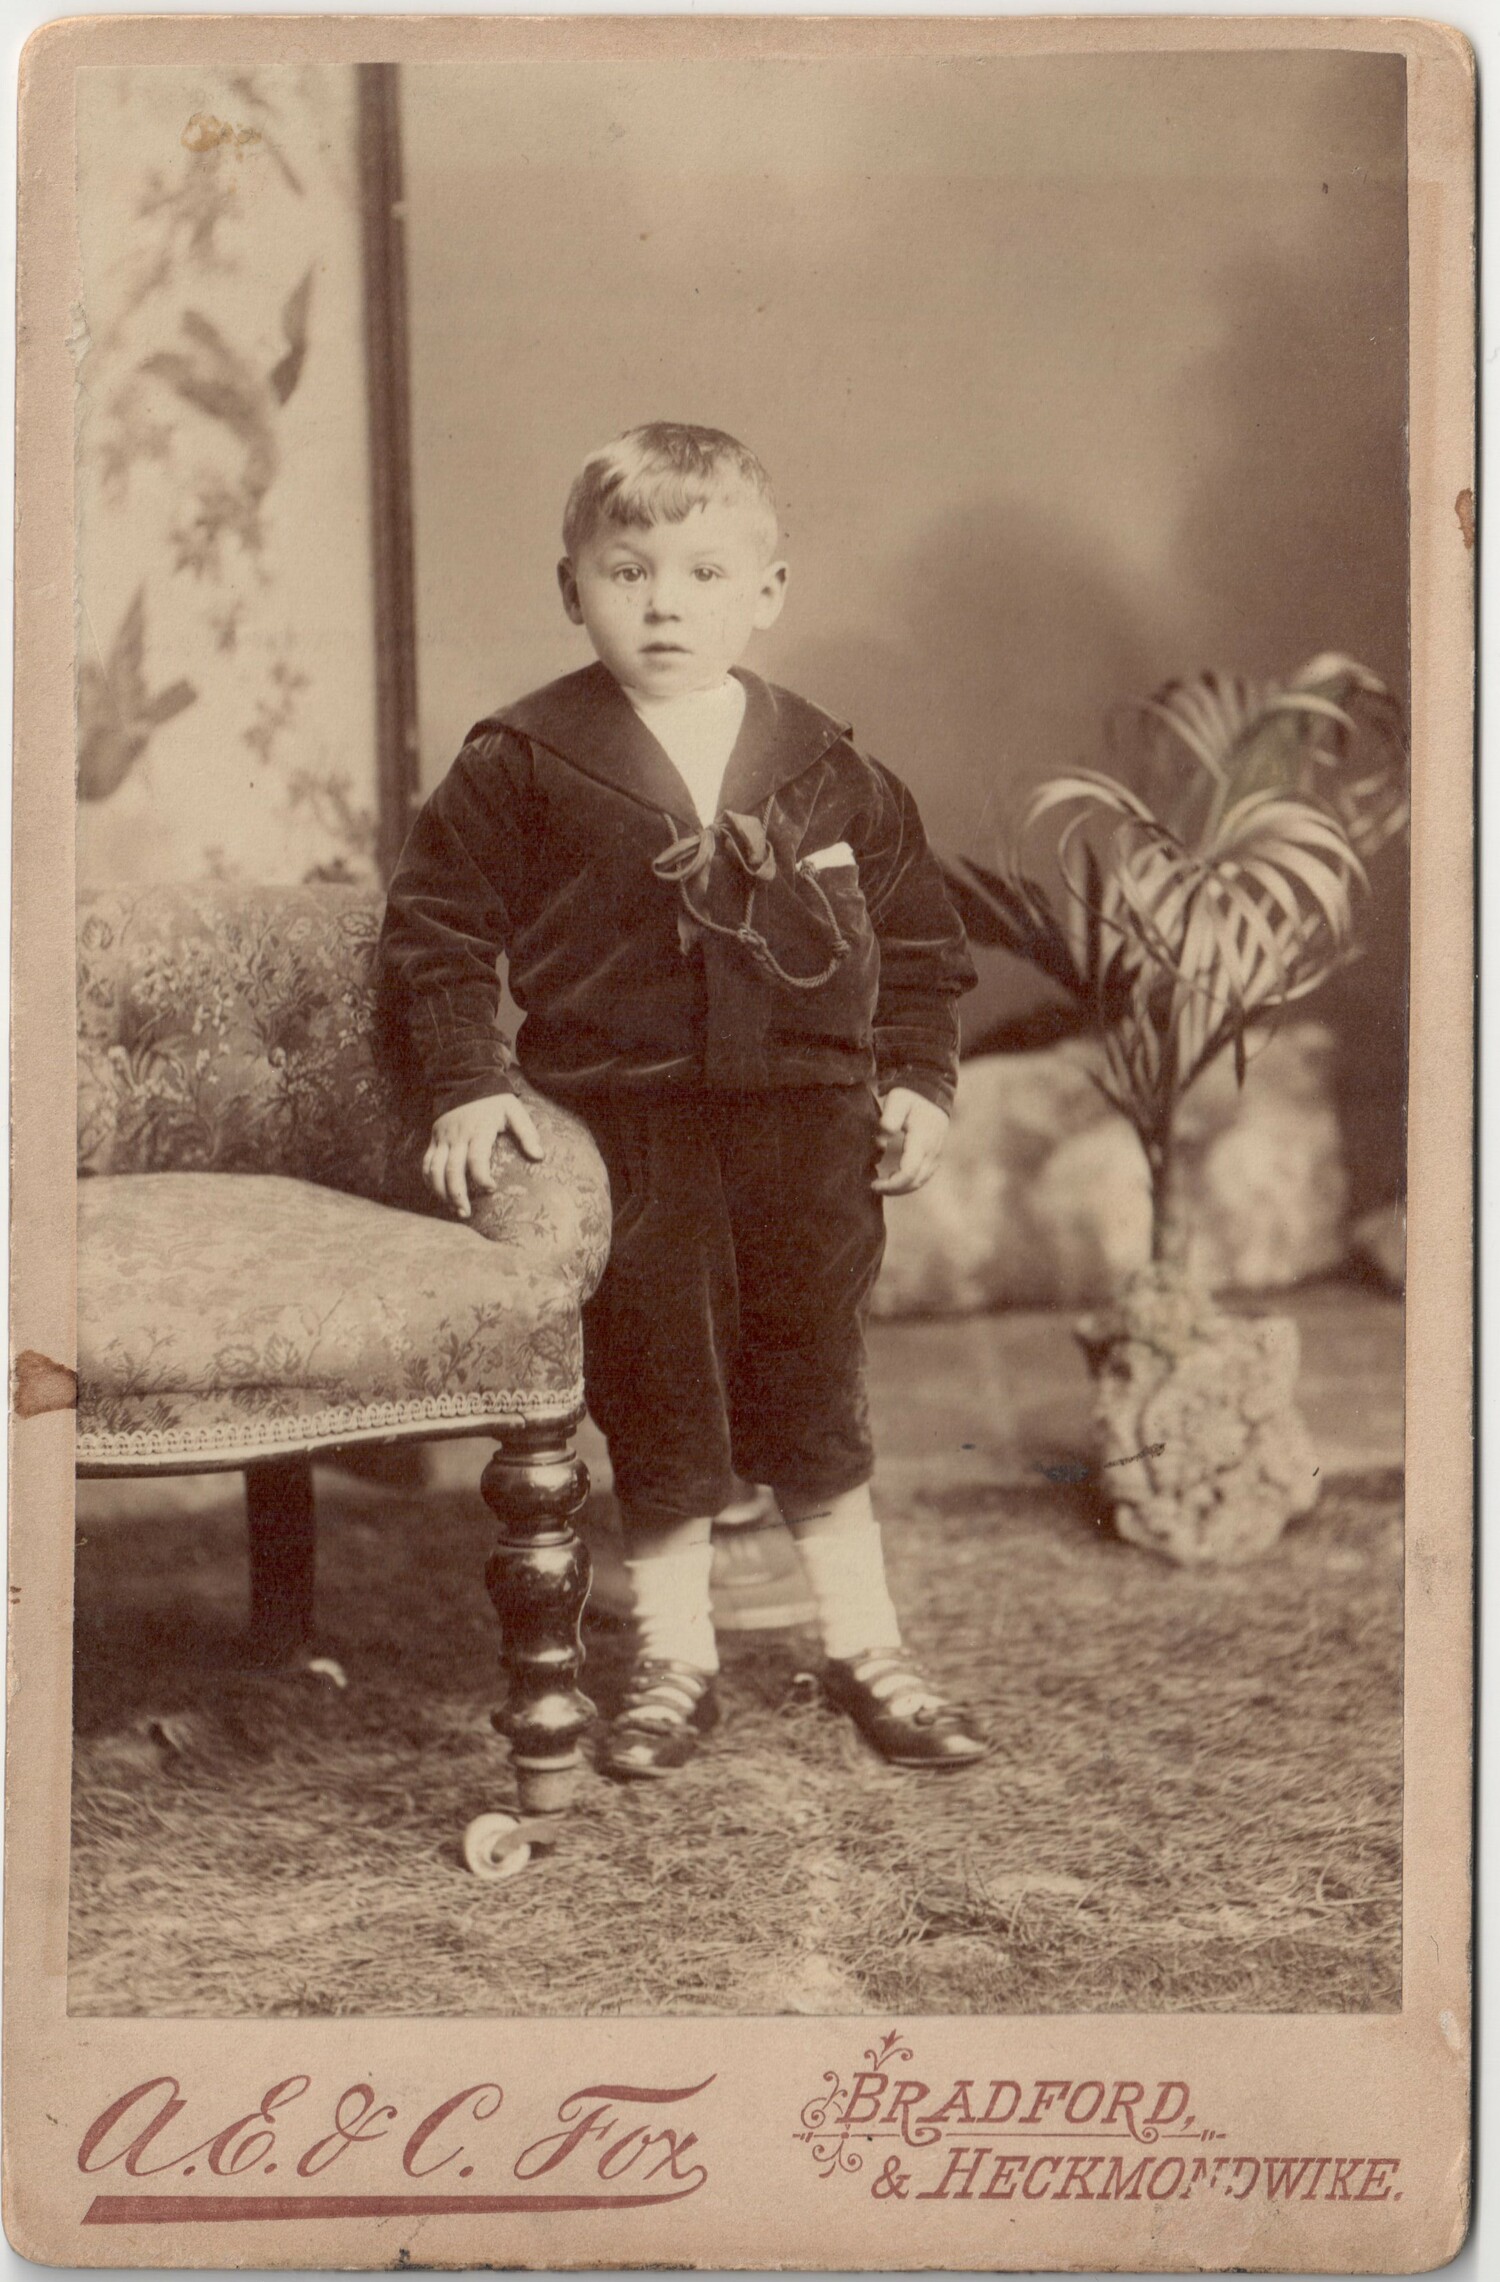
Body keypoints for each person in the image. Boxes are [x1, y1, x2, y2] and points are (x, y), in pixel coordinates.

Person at [379, 422, 988, 1780]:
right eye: (629, 570)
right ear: (572, 588)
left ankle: (866, 1645)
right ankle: (675, 1660)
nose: (665, 603)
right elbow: (436, 931)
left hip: (809, 1129)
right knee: (658, 1383)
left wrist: (920, 1079)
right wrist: (468, 1083)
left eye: (705, 573)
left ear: (766, 592)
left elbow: (921, 944)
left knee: (814, 1379)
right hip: (630, 1131)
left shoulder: (823, 763)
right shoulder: (524, 759)